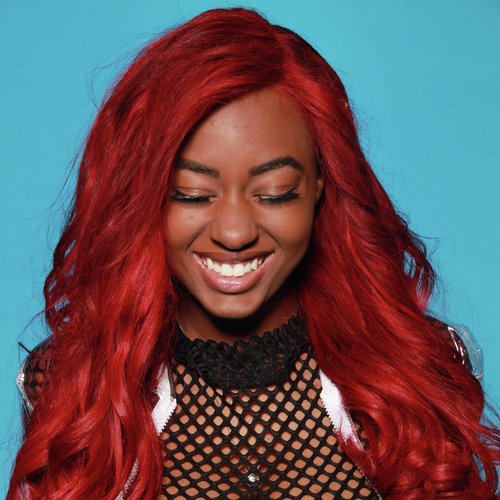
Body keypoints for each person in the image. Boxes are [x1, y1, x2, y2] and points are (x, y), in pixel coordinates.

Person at [8, 7, 499, 499]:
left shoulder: (424, 370)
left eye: (274, 192)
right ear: (143, 195)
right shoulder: (73, 390)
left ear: (320, 184)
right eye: (192, 194)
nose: (235, 232)